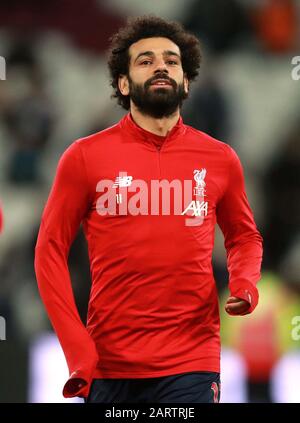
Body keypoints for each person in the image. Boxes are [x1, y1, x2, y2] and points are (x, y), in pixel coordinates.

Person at [34, 16, 263, 403]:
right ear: (124, 84)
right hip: (109, 364)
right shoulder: (84, 157)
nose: (161, 66)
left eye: (172, 61)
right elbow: (49, 251)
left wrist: (244, 283)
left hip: (193, 361)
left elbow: (244, 236)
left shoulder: (220, 159)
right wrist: (77, 348)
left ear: (186, 81)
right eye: (145, 61)